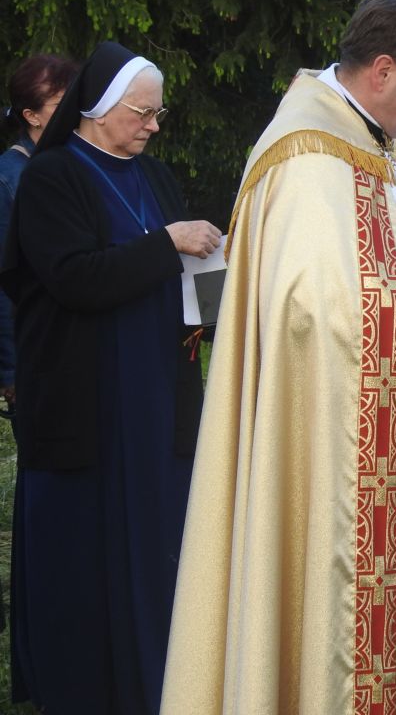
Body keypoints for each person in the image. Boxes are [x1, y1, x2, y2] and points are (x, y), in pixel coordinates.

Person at [163, 0, 396, 715]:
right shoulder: (306, 157)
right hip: (342, 461)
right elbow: (304, 308)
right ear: (382, 70)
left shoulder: (379, 145)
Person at [0, 42, 223, 714]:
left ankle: (159, 679)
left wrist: (217, 302)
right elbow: (74, 279)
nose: (153, 125)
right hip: (86, 399)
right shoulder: (52, 176)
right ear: (96, 108)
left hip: (156, 393)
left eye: (158, 114)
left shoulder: (155, 176)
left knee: (157, 542)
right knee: (85, 551)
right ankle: (84, 688)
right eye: (141, 112)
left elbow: (184, 273)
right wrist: (167, 243)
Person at [0, 53, 77, 419]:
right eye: (61, 104)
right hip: (36, 351)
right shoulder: (9, 179)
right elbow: (4, 283)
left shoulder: (77, 162)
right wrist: (11, 371)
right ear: (31, 116)